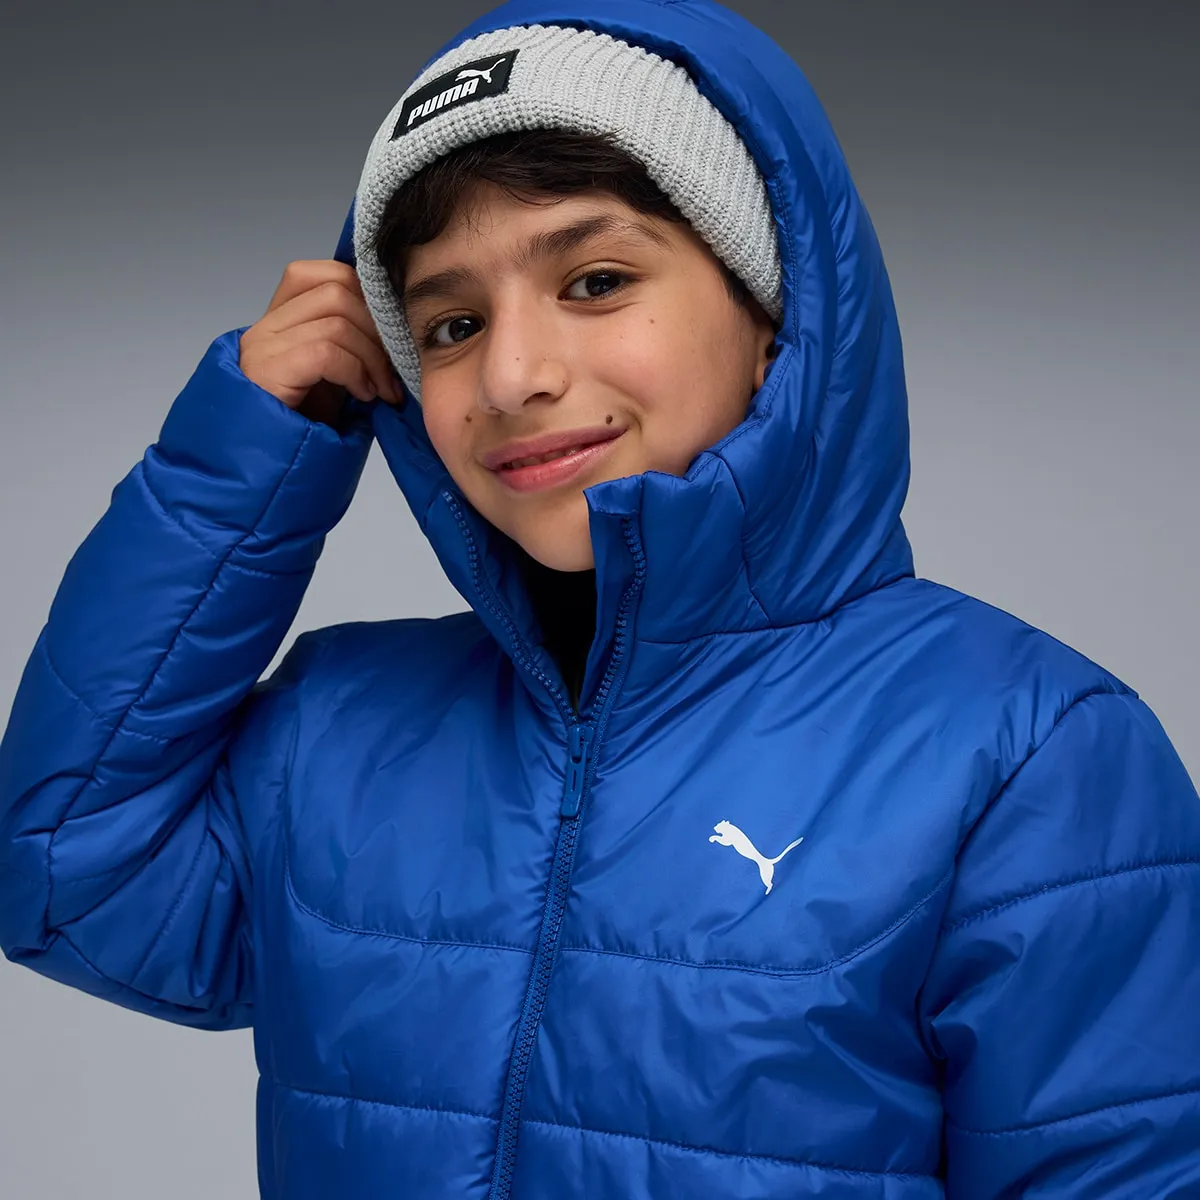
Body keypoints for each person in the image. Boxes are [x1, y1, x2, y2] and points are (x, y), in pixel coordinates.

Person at [1, 0, 1197, 1196]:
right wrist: (242, 456)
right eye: (451, 325)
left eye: (597, 279)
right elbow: (61, 875)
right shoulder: (337, 727)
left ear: (777, 317)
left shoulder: (1027, 751)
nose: (512, 375)